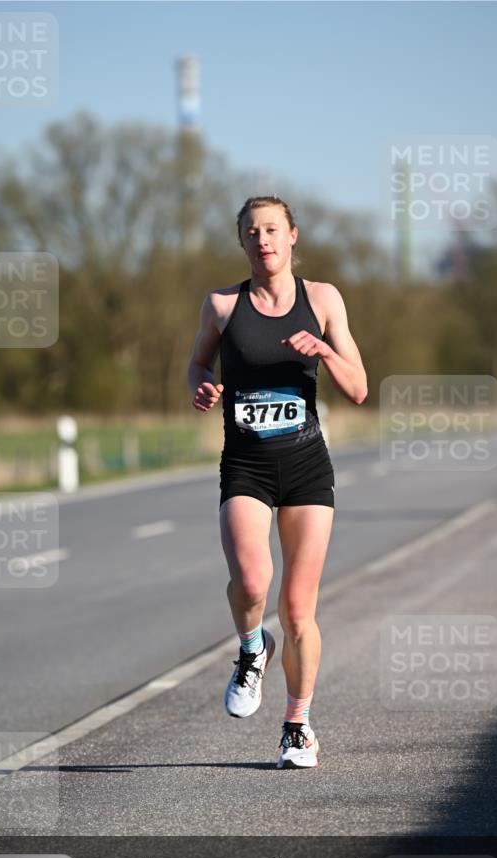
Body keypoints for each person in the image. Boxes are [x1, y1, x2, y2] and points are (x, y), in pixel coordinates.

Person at [187, 195, 367, 768]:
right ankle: (249, 648)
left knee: (296, 610)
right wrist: (201, 385)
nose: (262, 239)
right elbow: (197, 364)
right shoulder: (221, 306)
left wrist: (323, 350)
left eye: (271, 229)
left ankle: (298, 726)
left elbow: (359, 387)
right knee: (250, 579)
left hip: (307, 465)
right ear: (241, 242)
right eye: (251, 232)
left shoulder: (323, 299)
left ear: (292, 236)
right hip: (246, 464)